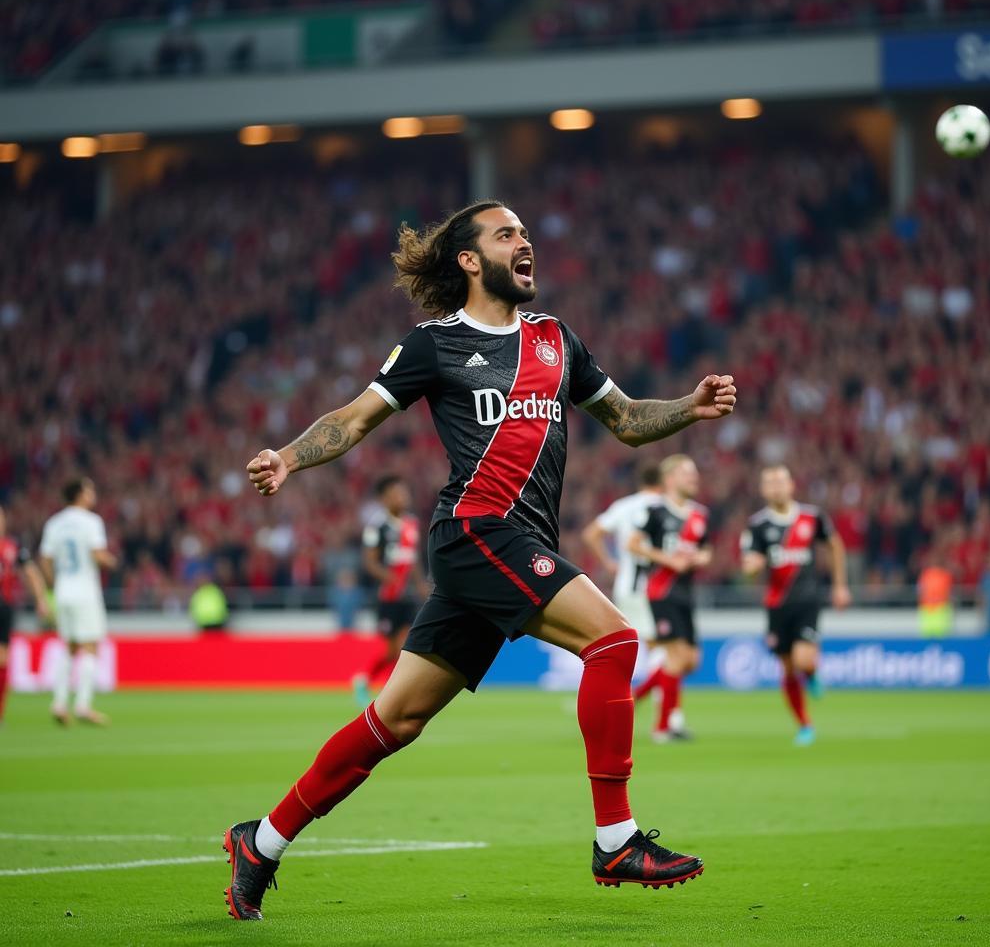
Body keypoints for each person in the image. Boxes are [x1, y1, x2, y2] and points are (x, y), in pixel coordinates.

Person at [223, 200, 737, 919]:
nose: (526, 243)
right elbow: (351, 419)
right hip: (477, 533)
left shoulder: (558, 341)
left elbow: (624, 419)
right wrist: (288, 457)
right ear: (470, 259)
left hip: (511, 548)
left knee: (394, 721)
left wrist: (689, 405)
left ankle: (263, 841)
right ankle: (616, 839)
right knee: (616, 640)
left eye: (527, 234)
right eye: (508, 235)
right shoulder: (434, 344)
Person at [741, 464, 850, 746]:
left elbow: (835, 545)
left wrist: (839, 585)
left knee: (803, 660)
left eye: (781, 481)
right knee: (788, 669)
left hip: (808, 601)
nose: (776, 486)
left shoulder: (812, 517)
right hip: (777, 606)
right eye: (770, 482)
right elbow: (749, 566)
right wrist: (753, 566)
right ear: (763, 490)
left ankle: (812, 673)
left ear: (792, 485)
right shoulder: (758, 525)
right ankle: (805, 724)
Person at [627, 455, 711, 742]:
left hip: (686, 592)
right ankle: (663, 728)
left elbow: (706, 550)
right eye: (688, 474)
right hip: (661, 591)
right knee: (675, 656)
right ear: (670, 478)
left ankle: (635, 697)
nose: (694, 479)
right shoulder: (657, 511)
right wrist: (667, 560)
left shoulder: (699, 515)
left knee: (691, 661)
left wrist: (700, 557)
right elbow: (633, 544)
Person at [39, 478, 118, 726]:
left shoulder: (55, 523)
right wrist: (111, 561)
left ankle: (59, 703)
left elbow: (45, 560)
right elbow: (97, 555)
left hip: (63, 591)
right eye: (89, 490)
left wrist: (54, 584)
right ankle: (83, 705)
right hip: (85, 590)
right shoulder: (91, 522)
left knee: (70, 646)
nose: (93, 494)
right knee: (91, 645)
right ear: (80, 495)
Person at [352, 475, 431, 707]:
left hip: (408, 597)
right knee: (391, 652)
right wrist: (391, 578)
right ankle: (364, 680)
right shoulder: (377, 527)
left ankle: (396, 695)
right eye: (397, 493)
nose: (402, 497)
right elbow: (369, 562)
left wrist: (420, 585)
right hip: (388, 598)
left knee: (404, 646)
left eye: (404, 492)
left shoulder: (412, 524)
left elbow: (413, 559)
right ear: (385, 499)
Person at [581, 461, 663, 675]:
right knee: (658, 644)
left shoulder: (624, 506)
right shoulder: (666, 507)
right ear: (662, 482)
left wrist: (609, 562)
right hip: (656, 584)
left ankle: (619, 692)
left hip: (627, 585)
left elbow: (591, 534)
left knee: (627, 642)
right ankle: (661, 702)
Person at [0, 505, 50, 724]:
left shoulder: (12, 547)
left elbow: (31, 573)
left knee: (2, 659)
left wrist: (40, 600)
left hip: (3, 606)